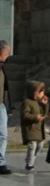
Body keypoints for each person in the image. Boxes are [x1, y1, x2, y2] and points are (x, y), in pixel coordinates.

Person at [18, 81, 50, 173]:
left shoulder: (39, 102)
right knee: (32, 145)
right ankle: (30, 164)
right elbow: (24, 115)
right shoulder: (27, 102)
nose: (43, 94)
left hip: (39, 129)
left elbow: (44, 113)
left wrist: (44, 105)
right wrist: (35, 117)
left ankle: (30, 159)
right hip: (30, 128)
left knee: (40, 145)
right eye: (41, 92)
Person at [0, 39, 11, 175]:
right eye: (8, 53)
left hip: (1, 104)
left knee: (3, 135)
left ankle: (1, 162)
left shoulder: (3, 67)